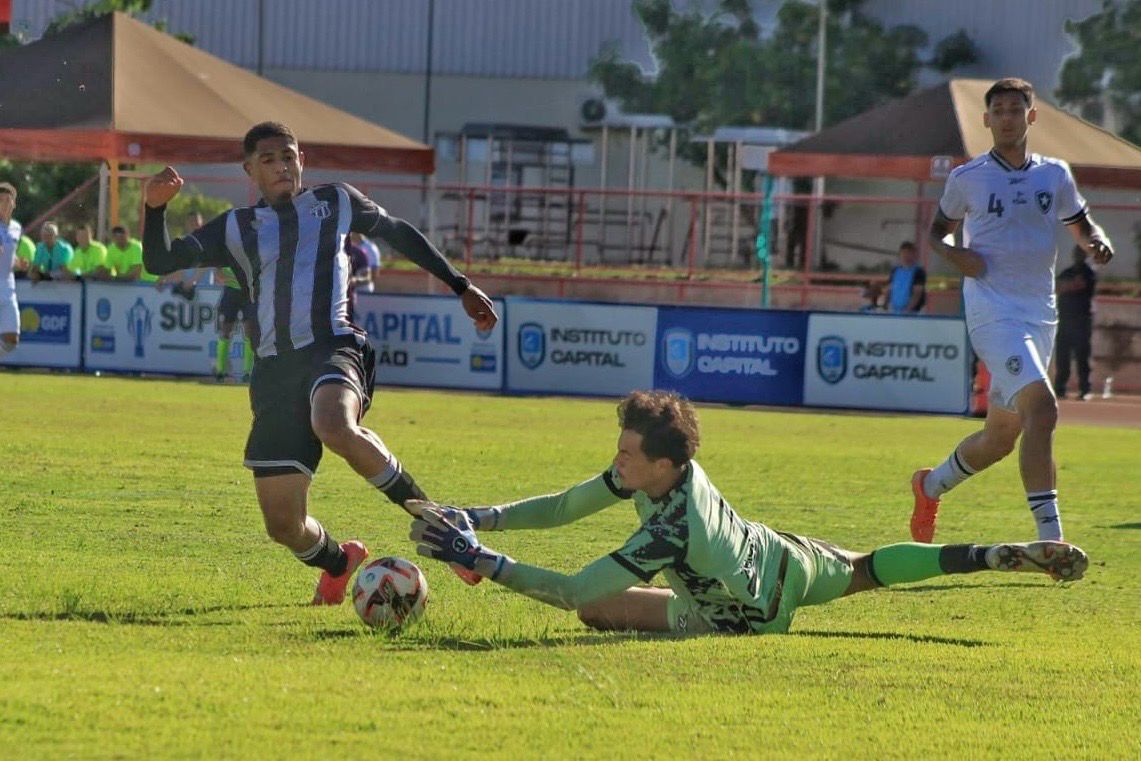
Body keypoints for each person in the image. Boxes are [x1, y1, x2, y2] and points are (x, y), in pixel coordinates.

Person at [141, 121, 499, 604]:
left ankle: (443, 527)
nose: (281, 167)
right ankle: (338, 562)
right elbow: (159, 261)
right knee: (283, 525)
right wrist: (154, 209)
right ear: (250, 171)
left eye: (288, 156)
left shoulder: (336, 201)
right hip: (274, 371)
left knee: (334, 423)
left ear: (301, 161)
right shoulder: (235, 227)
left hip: (334, 345)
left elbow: (397, 231)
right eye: (268, 160)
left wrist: (460, 285)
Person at [408, 391, 1088, 636]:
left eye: (626, 453)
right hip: (780, 555)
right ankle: (987, 554)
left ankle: (992, 554)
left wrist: (479, 559)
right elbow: (563, 507)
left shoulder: (670, 528)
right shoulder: (662, 467)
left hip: (736, 617)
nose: (616, 462)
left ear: (662, 466)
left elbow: (574, 590)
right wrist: (476, 516)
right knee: (867, 569)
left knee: (593, 612)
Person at [912, 78, 1114, 544]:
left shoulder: (1054, 175)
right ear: (986, 120)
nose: (1007, 117)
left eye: (1015, 109)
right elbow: (937, 232)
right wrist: (956, 255)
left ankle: (929, 486)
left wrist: (1097, 242)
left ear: (1031, 116)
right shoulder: (968, 177)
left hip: (1040, 314)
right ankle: (1050, 539)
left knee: (1001, 438)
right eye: (998, 110)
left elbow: (1082, 226)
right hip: (993, 311)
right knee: (1042, 408)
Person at [1054, 246, 1096, 401]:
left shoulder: (1089, 273)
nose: (1078, 255)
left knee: (1082, 356)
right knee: (1062, 357)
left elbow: (1078, 285)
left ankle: (1085, 389)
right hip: (1064, 319)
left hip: (1081, 321)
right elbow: (1056, 287)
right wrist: (1068, 285)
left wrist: (1066, 285)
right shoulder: (1067, 272)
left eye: (1081, 253)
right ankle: (1060, 388)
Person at [212, 262, 258, 383]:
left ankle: (248, 372)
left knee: (250, 331)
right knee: (226, 330)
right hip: (231, 288)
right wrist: (217, 270)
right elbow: (217, 257)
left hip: (249, 290)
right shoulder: (229, 249)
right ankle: (220, 371)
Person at [0, 182, 23, 356]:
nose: (5, 204)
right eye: (1, 200)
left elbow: (10, 258)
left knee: (11, 340)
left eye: (8, 200)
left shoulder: (16, 228)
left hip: (8, 289)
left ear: (14, 204)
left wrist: (18, 263)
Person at [886, 241, 926, 313]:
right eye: (904, 253)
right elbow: (889, 289)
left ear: (914, 255)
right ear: (900, 255)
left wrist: (908, 310)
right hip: (894, 310)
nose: (906, 256)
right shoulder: (895, 271)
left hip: (913, 312)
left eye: (909, 253)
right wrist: (886, 305)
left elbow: (917, 293)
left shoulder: (919, 272)